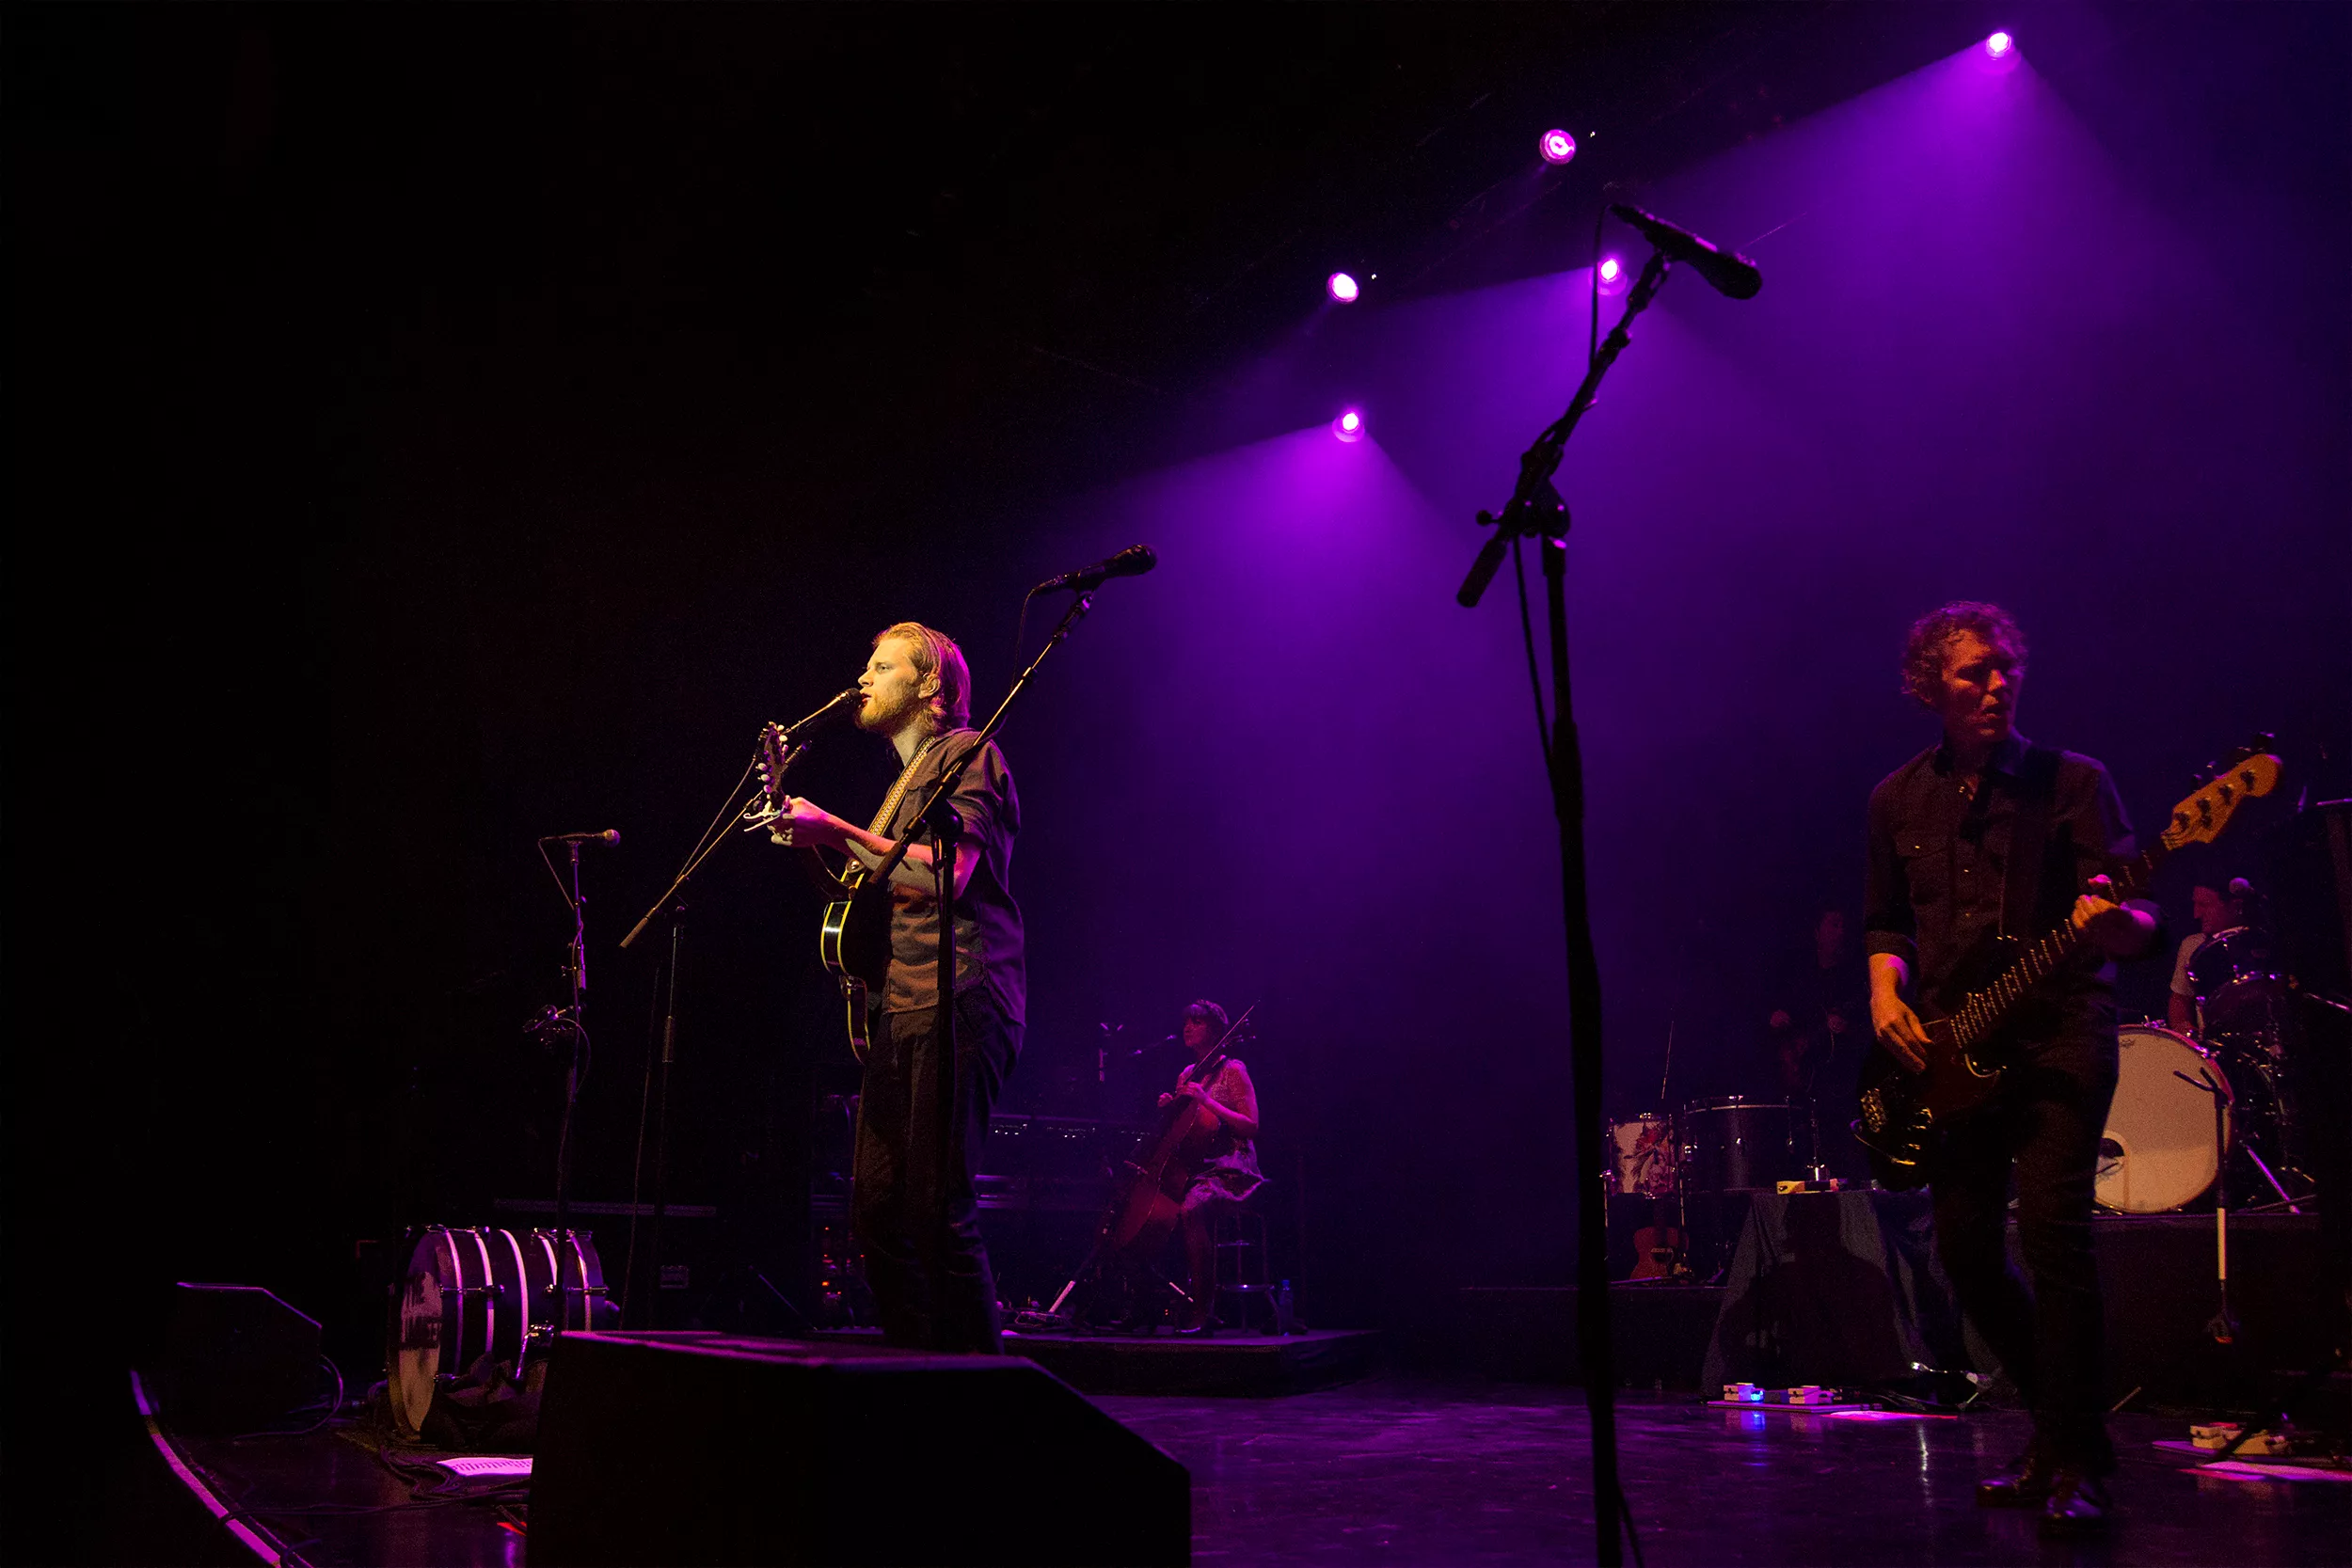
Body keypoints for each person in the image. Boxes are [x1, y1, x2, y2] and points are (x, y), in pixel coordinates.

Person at [1864, 601, 2158, 1536]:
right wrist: (1884, 992)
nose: (1997, 685)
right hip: (1958, 1045)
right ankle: (2057, 1430)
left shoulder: (2072, 782)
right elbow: (1886, 921)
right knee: (1964, 1251)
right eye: (1973, 672)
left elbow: (2136, 921)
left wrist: (2115, 922)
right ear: (1930, 686)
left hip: (2062, 1030)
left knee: (2054, 1236)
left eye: (2006, 668)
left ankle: (2079, 1457)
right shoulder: (1895, 799)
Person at [766, 622, 1025, 1353]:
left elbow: (950, 874)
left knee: (936, 1207)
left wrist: (832, 827)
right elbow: (857, 892)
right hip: (899, 1004)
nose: (864, 678)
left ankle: (982, 1388)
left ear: (929, 684)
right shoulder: (900, 788)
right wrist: (801, 829)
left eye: (882, 666)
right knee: (877, 1211)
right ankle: (922, 1368)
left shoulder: (970, 754)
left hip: (963, 992)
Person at [1155, 999, 1263, 1333]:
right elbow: (1185, 1128)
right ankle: (1149, 1303)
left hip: (1232, 1167)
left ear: (1216, 1030)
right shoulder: (1187, 1075)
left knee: (1191, 1209)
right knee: (1153, 1209)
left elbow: (1250, 1125)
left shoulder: (1233, 1069)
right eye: (1186, 1021)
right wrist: (1171, 1108)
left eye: (1197, 1022)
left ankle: (1203, 1310)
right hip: (1194, 1166)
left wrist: (1206, 1101)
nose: (1188, 1027)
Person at [1765, 907, 1868, 1180]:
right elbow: (1781, 1017)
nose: (1840, 932)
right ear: (1816, 932)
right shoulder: (1800, 977)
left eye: (1843, 926)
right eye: (1834, 924)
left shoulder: (1854, 977)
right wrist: (1776, 1018)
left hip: (1843, 1083)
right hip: (1806, 1080)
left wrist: (1847, 1028)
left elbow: (1868, 1029)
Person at [2167, 881, 2248, 1035]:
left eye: (2204, 905)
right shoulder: (2192, 945)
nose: (2196, 914)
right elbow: (2180, 998)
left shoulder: (2260, 940)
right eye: (2195, 905)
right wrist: (2183, 1027)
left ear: (2235, 906)